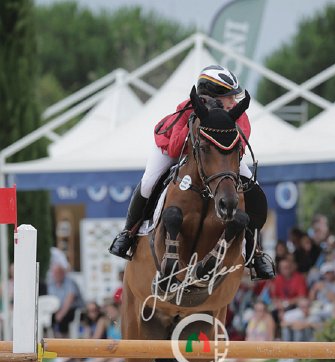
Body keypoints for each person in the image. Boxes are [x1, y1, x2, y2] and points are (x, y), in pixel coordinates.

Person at [109, 65, 275, 280]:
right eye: (229, 96)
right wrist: (195, 123)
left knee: (254, 191)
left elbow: (239, 148)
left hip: (217, 159)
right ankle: (129, 234)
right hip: (174, 151)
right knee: (149, 182)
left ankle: (255, 251)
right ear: (212, 95)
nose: (233, 101)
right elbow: (174, 148)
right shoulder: (187, 109)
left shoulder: (237, 115)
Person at [47, 264, 84, 338]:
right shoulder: (51, 284)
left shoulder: (70, 282)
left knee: (64, 316)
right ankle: (52, 336)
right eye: (54, 273)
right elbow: (50, 299)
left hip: (74, 309)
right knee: (49, 317)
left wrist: (61, 313)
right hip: (58, 309)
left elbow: (70, 299)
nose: (55, 275)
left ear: (62, 273)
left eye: (57, 272)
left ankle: (63, 338)